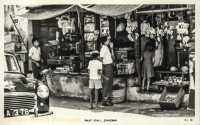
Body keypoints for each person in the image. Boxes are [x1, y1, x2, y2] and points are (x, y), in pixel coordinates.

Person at [99, 36, 114, 106]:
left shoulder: (107, 48)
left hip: (109, 66)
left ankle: (107, 99)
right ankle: (105, 100)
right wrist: (101, 69)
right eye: (108, 40)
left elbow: (113, 58)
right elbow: (101, 59)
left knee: (109, 83)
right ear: (104, 41)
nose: (109, 41)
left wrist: (112, 48)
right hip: (106, 66)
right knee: (107, 83)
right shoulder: (103, 48)